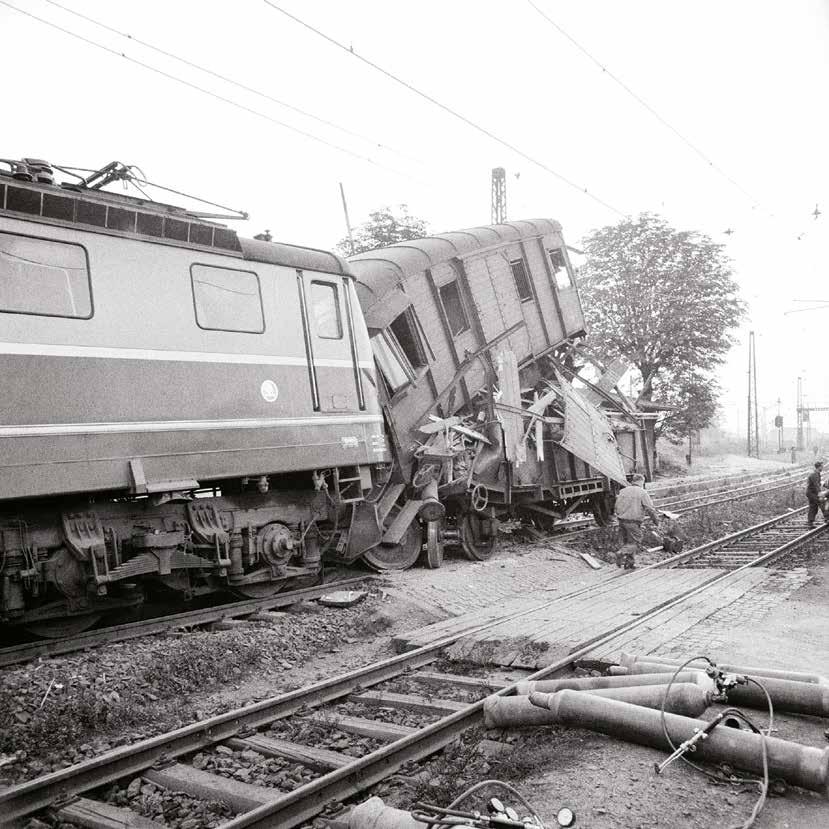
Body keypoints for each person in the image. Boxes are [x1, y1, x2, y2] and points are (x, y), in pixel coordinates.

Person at [614, 473, 661, 569]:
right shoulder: (642, 492)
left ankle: (629, 563)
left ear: (632, 481)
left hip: (622, 521)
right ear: (641, 481)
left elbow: (616, 506)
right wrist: (656, 521)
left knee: (628, 542)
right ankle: (621, 553)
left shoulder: (623, 491)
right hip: (633, 522)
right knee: (636, 542)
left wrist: (620, 515)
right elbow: (650, 509)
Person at [806, 461, 827, 528]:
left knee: (813, 507)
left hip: (811, 493)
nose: (823, 467)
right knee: (822, 503)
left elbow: (819, 484)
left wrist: (825, 485)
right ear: (819, 467)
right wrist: (820, 494)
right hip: (812, 493)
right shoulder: (814, 474)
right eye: (822, 466)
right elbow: (816, 485)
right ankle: (827, 518)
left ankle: (810, 523)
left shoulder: (817, 473)